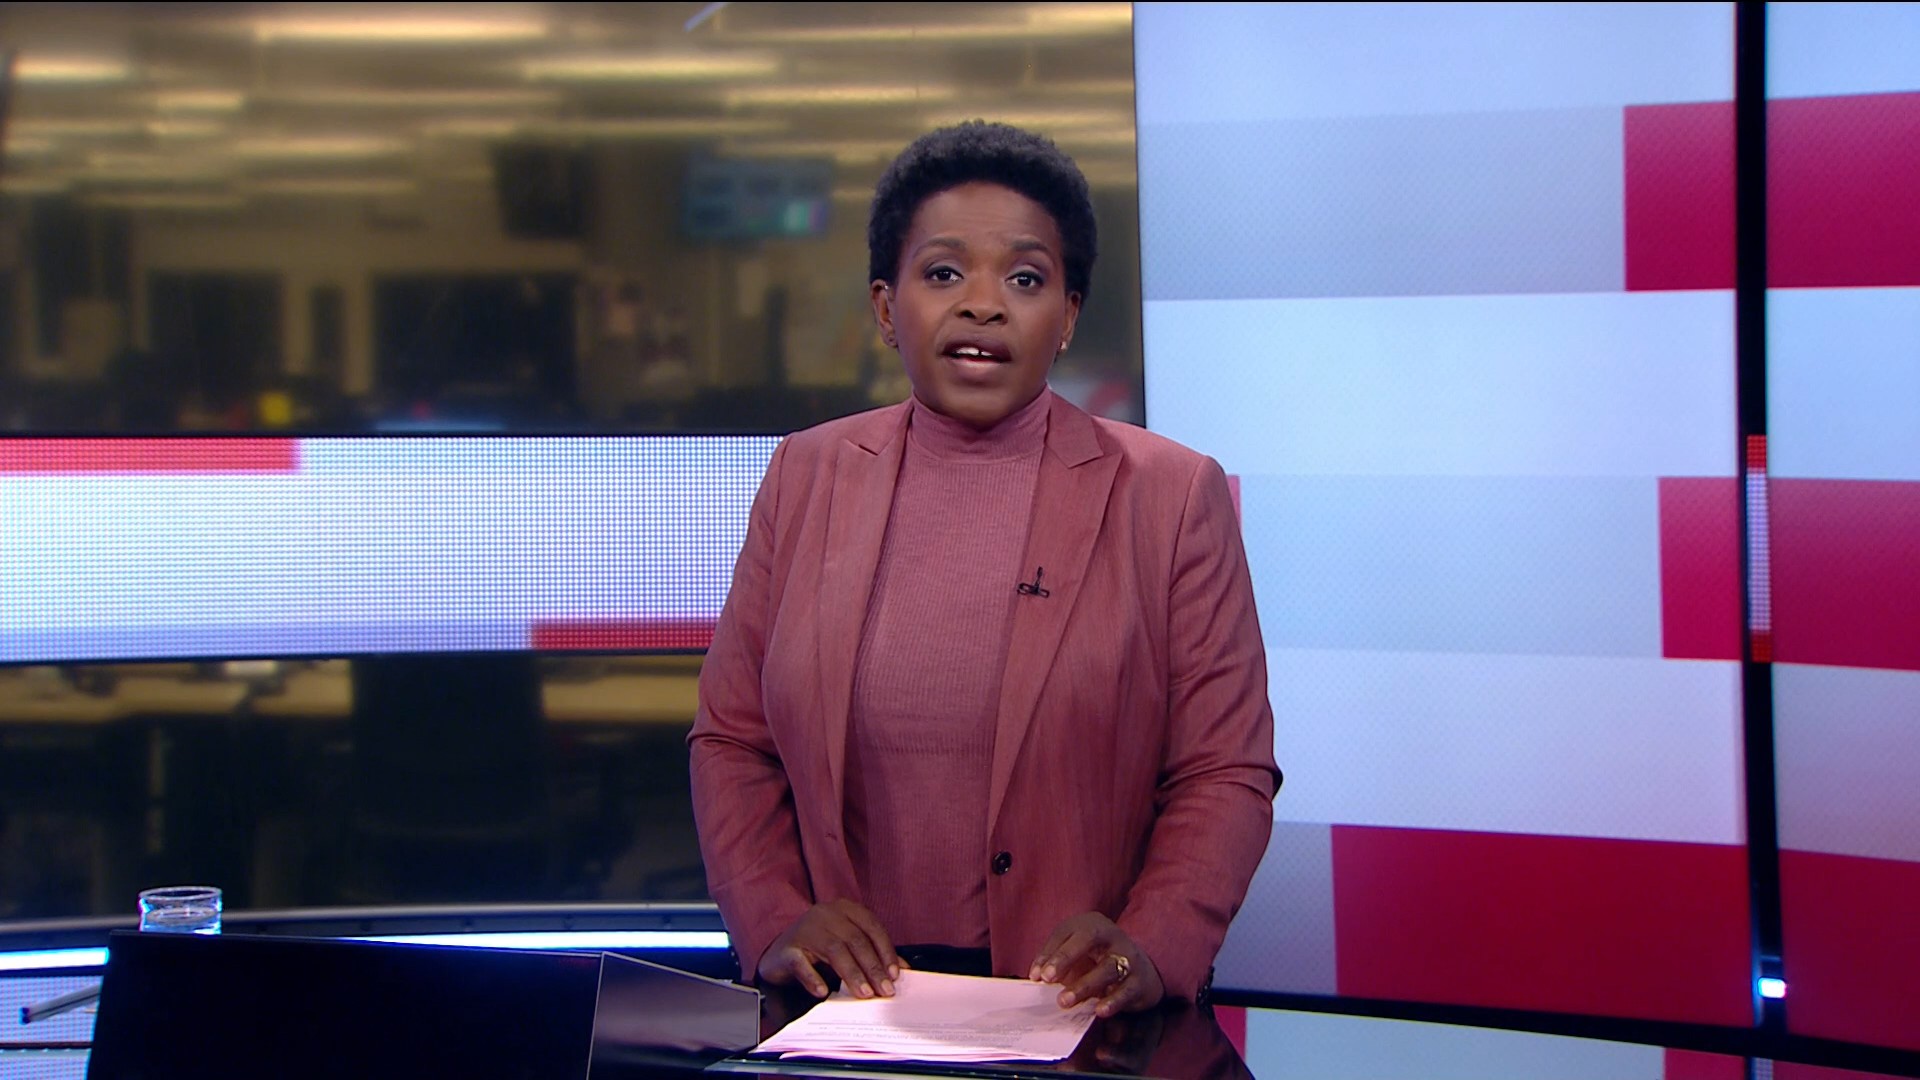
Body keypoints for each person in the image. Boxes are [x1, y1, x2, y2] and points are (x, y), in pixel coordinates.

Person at [689, 122, 1279, 1020]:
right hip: (850, 1018)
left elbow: (1225, 768)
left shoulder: (1170, 494)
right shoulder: (806, 474)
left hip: (1075, 1015)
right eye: (942, 273)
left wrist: (1153, 941)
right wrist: (774, 917)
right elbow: (733, 739)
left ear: (1068, 316)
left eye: (1025, 279)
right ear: (886, 309)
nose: (982, 306)